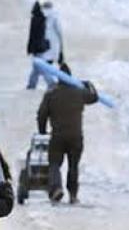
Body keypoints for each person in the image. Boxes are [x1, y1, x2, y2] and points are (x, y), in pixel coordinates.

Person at [36, 63, 98, 204]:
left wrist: (42, 130)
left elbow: (41, 114)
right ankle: (73, 195)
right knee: (73, 165)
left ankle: (56, 188)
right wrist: (88, 84)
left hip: (57, 136)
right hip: (76, 136)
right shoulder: (79, 92)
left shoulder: (51, 94)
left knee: (54, 164)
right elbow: (94, 97)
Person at [26, 0, 63, 89]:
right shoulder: (54, 15)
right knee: (42, 66)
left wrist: (30, 48)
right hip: (50, 46)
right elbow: (59, 31)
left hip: (38, 46)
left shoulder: (36, 16)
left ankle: (31, 86)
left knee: (38, 66)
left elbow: (31, 34)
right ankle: (51, 84)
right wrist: (61, 48)